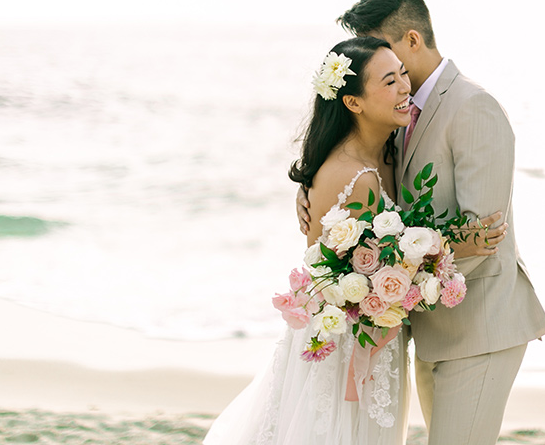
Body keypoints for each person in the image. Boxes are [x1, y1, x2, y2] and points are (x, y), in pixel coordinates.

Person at [204, 36, 505, 445]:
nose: (405, 87)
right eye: (388, 81)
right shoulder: (356, 176)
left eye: (403, 73)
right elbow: (385, 268)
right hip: (346, 345)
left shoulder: (385, 153)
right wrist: (454, 246)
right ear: (353, 103)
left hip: (368, 337)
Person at [298, 0, 545, 445]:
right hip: (429, 333)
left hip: (479, 330)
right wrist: (323, 199)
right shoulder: (399, 112)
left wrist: (391, 283)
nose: (386, 70)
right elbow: (373, 191)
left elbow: (482, 233)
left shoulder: (473, 107)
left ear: (412, 40)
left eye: (386, 51)